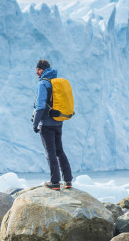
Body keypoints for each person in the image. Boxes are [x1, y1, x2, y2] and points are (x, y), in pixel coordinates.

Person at [32, 59, 73, 190]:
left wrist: (35, 123)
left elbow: (40, 106)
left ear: (42, 70)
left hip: (47, 123)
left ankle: (55, 182)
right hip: (58, 122)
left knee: (50, 152)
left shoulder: (43, 84)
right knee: (59, 151)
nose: (36, 72)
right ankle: (68, 180)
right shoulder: (56, 83)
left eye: (37, 70)